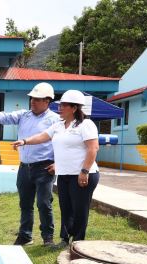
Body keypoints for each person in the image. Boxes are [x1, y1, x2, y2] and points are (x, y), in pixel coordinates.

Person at [0, 82, 60, 246]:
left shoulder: (55, 120)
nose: (33, 101)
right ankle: (25, 236)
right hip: (25, 167)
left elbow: (61, 143)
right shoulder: (24, 115)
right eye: (32, 98)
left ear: (47, 101)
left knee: (43, 203)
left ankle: (48, 238)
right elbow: (4, 117)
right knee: (25, 204)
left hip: (44, 168)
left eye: (37, 99)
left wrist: (57, 163)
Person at [12, 90, 100, 248]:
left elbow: (93, 149)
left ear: (74, 108)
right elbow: (42, 136)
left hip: (82, 174)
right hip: (64, 174)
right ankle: (65, 240)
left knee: (79, 209)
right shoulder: (58, 125)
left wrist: (84, 171)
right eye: (59, 105)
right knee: (66, 208)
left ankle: (78, 242)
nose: (60, 108)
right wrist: (24, 141)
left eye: (64, 105)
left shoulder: (86, 125)